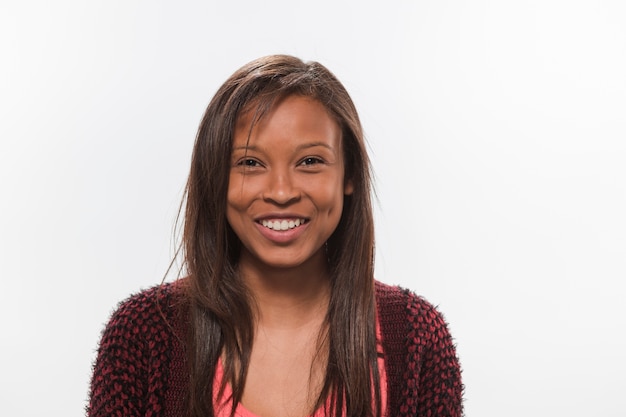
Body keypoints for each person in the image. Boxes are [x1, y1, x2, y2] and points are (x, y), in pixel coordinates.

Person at [87, 54, 463, 417]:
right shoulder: (142, 335)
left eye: (310, 162)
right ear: (215, 176)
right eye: (250, 163)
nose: (281, 192)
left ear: (348, 175)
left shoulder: (416, 336)